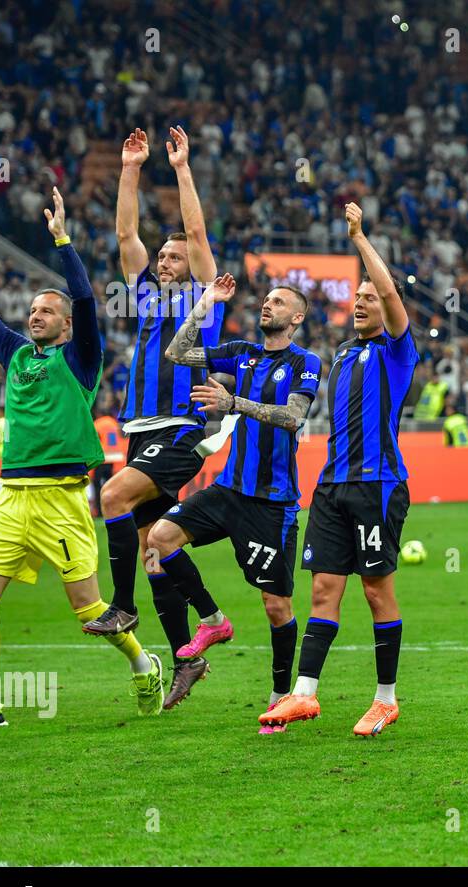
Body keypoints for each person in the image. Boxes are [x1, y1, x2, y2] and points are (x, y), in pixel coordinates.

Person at [0, 190, 164, 730]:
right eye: (32, 311)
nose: (36, 316)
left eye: (47, 311)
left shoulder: (81, 357)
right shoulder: (16, 353)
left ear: (67, 325)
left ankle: (144, 666)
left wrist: (63, 241)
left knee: (89, 612)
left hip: (62, 499)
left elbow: (87, 299)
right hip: (12, 498)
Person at [259, 202, 419, 737]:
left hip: (378, 486)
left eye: (369, 297)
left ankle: (386, 698)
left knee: (376, 591)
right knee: (324, 589)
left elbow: (391, 292)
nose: (361, 301)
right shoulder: (346, 353)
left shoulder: (398, 352)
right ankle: (304, 694)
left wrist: (358, 237)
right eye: (357, 296)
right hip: (331, 487)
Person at [83, 127, 225, 715]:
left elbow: (194, 232)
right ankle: (193, 646)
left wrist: (182, 168)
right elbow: (123, 232)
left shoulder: (204, 298)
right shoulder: (144, 296)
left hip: (183, 426)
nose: (165, 262)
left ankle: (123, 606)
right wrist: (130, 168)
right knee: (152, 550)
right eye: (160, 257)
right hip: (143, 428)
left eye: (173, 257)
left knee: (111, 496)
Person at [150, 274, 321, 732]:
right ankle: (212, 620)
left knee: (276, 607)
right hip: (228, 491)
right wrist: (206, 300)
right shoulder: (242, 352)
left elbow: (292, 417)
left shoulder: (306, 361)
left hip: (273, 504)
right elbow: (177, 353)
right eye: (266, 298)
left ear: (297, 317)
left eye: (279, 301)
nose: (268, 304)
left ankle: (280, 698)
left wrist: (233, 402)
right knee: (160, 538)